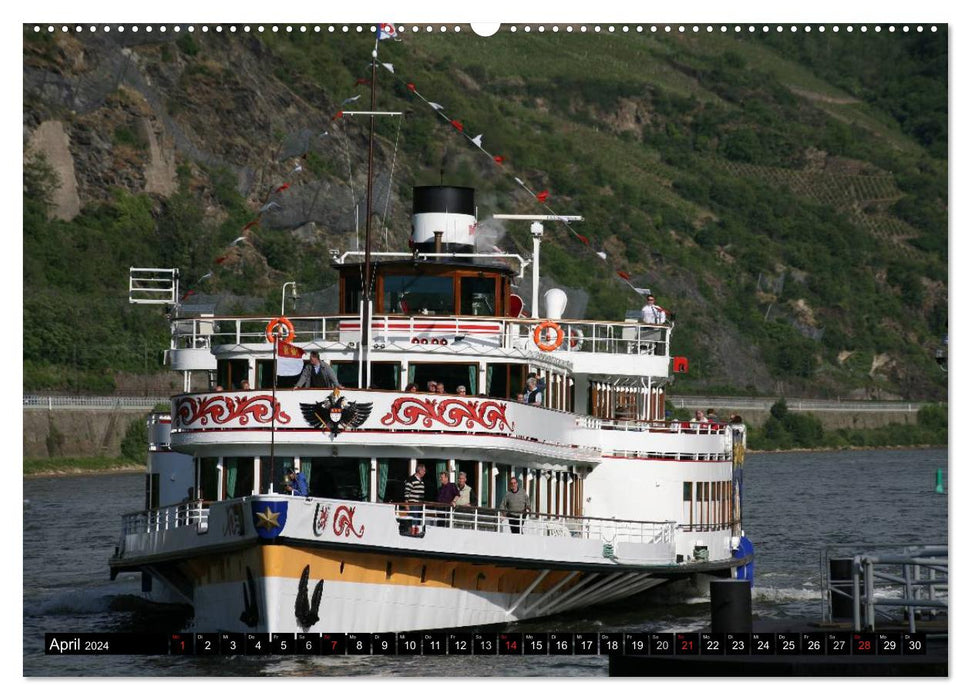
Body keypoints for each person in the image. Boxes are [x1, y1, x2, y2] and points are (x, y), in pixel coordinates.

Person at [402, 464, 427, 534]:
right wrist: (406, 505)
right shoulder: (411, 480)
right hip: (413, 504)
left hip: (419, 505)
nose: (425, 472)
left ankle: (416, 532)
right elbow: (407, 493)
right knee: (413, 520)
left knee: (418, 520)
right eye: (424, 471)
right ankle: (413, 533)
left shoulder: (421, 481)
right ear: (420, 471)